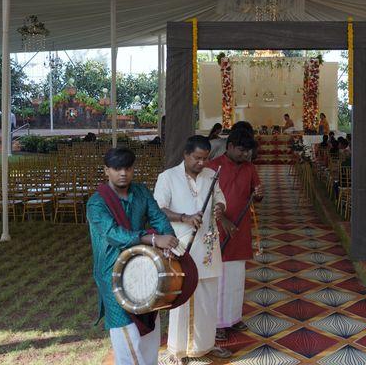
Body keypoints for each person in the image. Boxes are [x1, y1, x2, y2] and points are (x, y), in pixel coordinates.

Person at [86, 147, 179, 365]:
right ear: (106, 170)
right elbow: (113, 235)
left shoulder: (141, 192)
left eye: (127, 168)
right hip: (113, 273)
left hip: (144, 268)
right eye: (117, 168)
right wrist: (154, 239)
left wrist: (169, 239)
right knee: (126, 334)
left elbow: (158, 218)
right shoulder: (96, 203)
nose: (123, 173)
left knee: (149, 331)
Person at [153, 135, 231, 364]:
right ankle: (177, 350)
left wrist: (219, 209)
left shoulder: (211, 176)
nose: (201, 163)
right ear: (186, 155)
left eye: (205, 158)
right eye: (197, 158)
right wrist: (184, 217)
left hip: (207, 247)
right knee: (181, 296)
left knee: (207, 296)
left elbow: (220, 198)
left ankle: (205, 345)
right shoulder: (168, 177)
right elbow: (158, 209)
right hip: (181, 246)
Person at [206, 129, 263, 341]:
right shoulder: (213, 167)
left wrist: (258, 195)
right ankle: (218, 323)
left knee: (237, 277)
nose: (245, 155)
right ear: (229, 146)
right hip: (218, 228)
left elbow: (256, 194)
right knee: (219, 278)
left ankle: (234, 317)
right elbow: (206, 200)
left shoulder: (249, 168)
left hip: (240, 228)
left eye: (248, 151)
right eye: (241, 150)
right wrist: (223, 220)